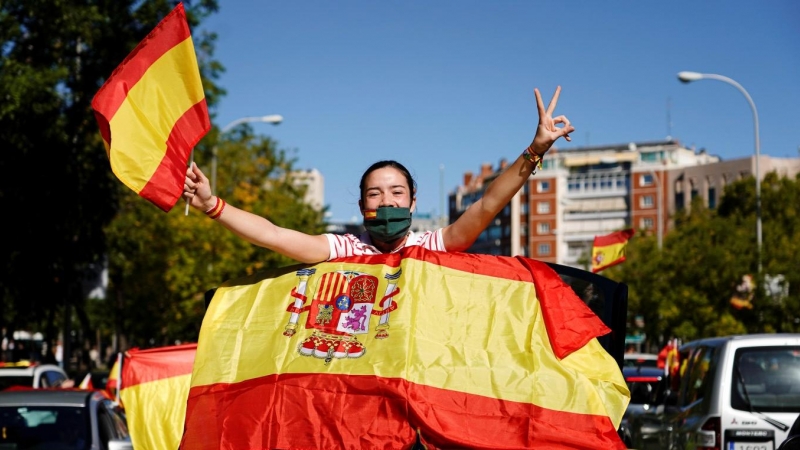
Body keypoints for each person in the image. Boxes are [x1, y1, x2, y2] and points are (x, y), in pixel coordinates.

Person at [183, 86, 574, 262]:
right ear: (360, 205)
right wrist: (212, 205)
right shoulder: (344, 250)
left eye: (396, 193)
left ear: (414, 201)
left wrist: (536, 148)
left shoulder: (433, 245)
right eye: (375, 194)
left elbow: (489, 202)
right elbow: (274, 236)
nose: (387, 201)